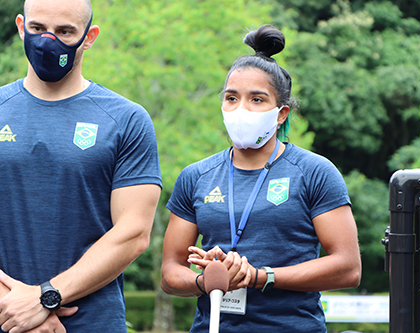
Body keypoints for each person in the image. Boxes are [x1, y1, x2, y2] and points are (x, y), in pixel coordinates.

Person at [161, 24, 361, 333]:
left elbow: (348, 268)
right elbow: (170, 273)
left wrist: (260, 276)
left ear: (281, 113)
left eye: (256, 99)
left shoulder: (315, 173)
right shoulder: (196, 176)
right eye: (231, 98)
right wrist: (209, 279)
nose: (240, 109)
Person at [0, 0, 162, 332]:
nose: (48, 42)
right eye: (37, 29)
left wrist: (45, 297)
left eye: (64, 32)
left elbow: (133, 234)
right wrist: (14, 305)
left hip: (93, 323)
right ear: (20, 26)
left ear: (89, 37)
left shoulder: (128, 120)